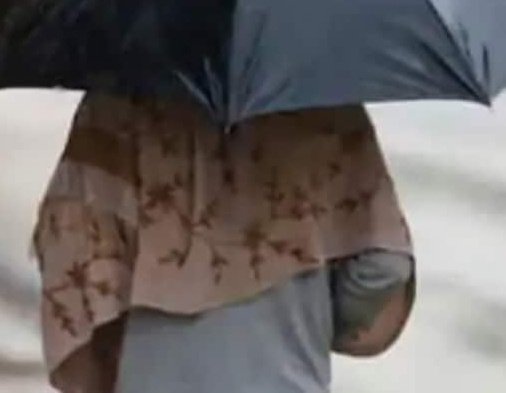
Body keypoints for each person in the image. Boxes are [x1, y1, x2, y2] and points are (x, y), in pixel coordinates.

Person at [33, 93, 415, 393]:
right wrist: (311, 321)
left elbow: (68, 247)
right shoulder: (325, 107)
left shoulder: (118, 102)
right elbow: (384, 265)